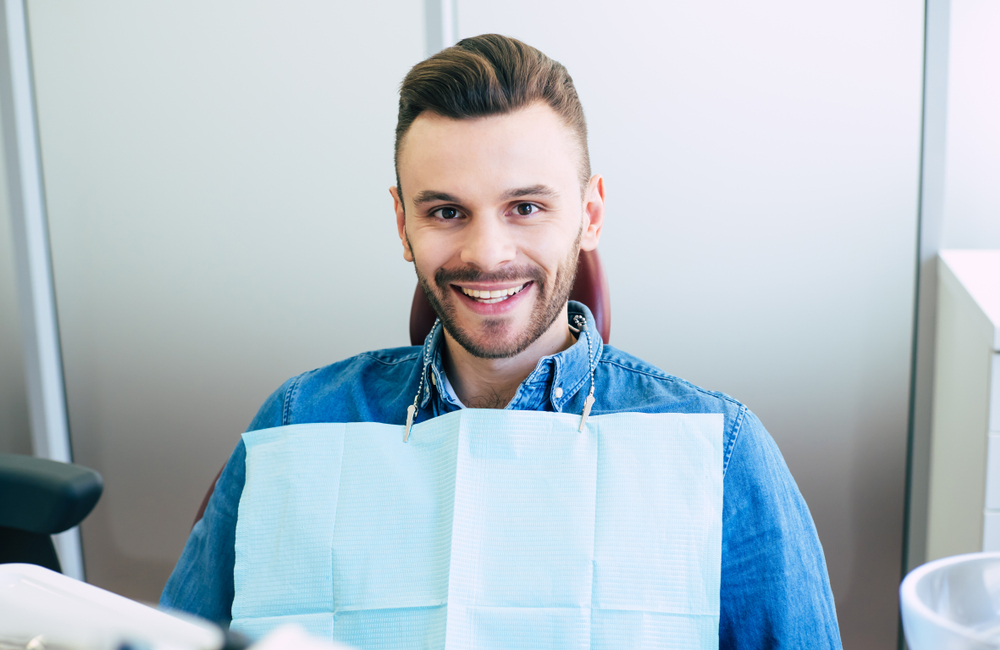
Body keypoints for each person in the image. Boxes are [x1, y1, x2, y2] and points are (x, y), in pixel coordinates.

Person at [161, 34, 842, 648]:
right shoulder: (299, 424)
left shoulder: (719, 452)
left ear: (591, 214)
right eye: (446, 211)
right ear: (402, 224)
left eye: (526, 207)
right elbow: (169, 640)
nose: (487, 254)